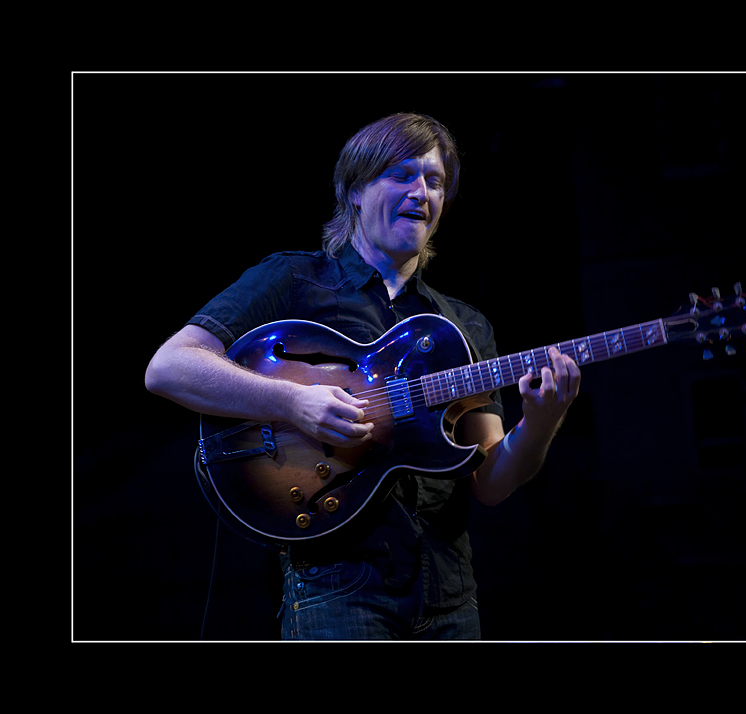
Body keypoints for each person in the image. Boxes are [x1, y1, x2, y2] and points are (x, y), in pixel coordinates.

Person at [144, 112, 581, 639]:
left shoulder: (463, 327)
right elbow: (169, 367)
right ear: (354, 190)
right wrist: (291, 403)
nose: (421, 192)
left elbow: (489, 484)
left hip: (450, 594)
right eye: (402, 175)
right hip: (336, 590)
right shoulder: (292, 279)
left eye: (435, 181)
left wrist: (542, 421)